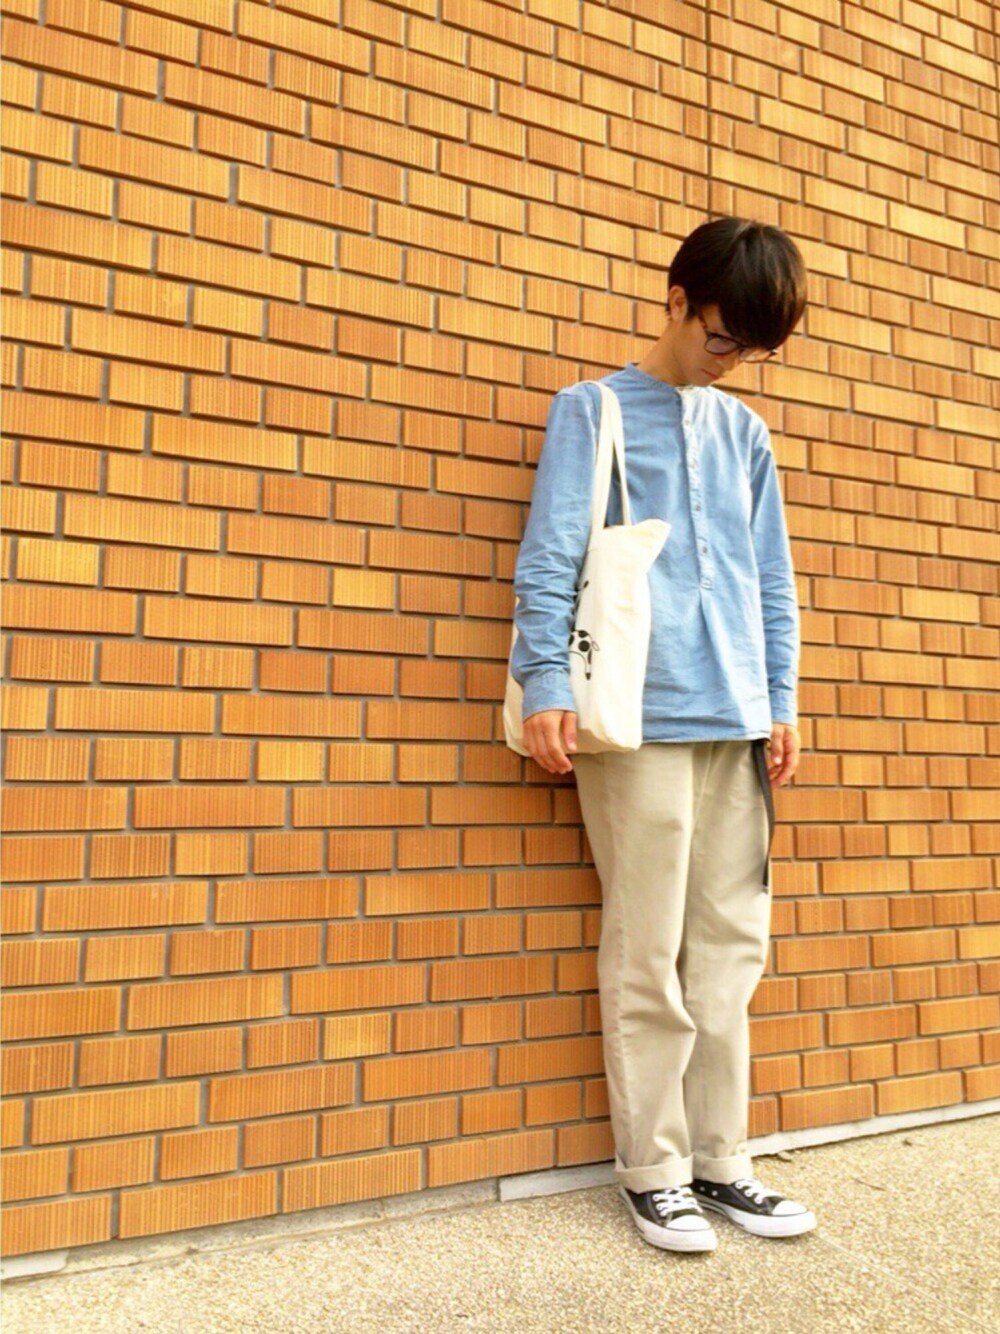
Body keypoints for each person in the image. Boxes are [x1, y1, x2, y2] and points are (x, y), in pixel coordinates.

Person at [510, 217, 817, 1253]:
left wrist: (779, 697)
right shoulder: (591, 411)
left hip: (736, 718)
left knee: (729, 950)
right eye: (722, 336)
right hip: (636, 719)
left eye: (750, 350)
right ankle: (655, 1170)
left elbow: (771, 579)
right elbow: (551, 555)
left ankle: (723, 1160)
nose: (730, 361)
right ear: (677, 299)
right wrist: (544, 680)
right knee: (647, 947)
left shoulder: (744, 434)